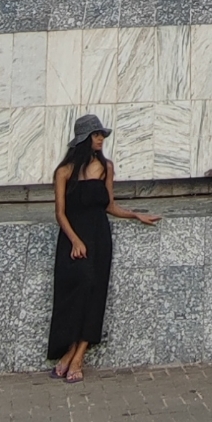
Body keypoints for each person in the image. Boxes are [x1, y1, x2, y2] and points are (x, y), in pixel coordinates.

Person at [48, 114, 159, 379]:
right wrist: (75, 240)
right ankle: (69, 350)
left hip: (99, 237)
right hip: (72, 238)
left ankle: (77, 357)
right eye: (96, 135)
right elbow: (60, 213)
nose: (101, 139)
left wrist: (135, 214)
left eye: (102, 135)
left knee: (95, 291)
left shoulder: (107, 167)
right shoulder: (63, 172)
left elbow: (109, 205)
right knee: (78, 288)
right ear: (85, 139)